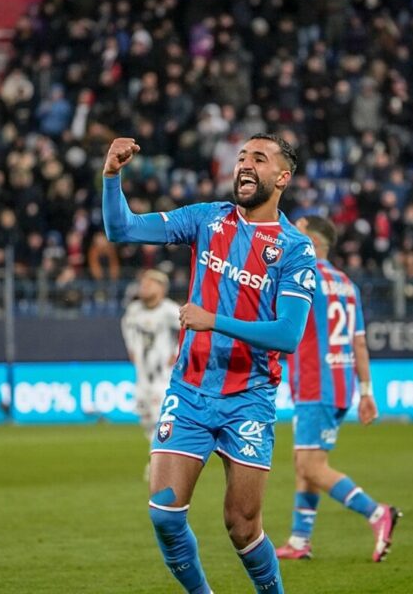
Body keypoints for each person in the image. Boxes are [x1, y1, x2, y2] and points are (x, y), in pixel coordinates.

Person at [103, 134, 317, 594]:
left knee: (241, 527)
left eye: (259, 159)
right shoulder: (206, 219)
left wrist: (213, 320)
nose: (245, 164)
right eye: (242, 157)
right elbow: (123, 230)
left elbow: (288, 334)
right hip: (191, 391)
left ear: (282, 178)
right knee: (164, 513)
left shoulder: (296, 248)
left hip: (249, 398)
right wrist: (111, 177)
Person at [275, 215, 400, 562]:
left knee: (311, 466)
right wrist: (366, 391)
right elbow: (359, 343)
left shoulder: (303, 276)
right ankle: (300, 541)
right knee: (306, 462)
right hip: (341, 384)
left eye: (295, 234)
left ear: (311, 242)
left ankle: (377, 513)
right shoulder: (347, 283)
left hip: (316, 383)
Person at [121, 269, 181, 478]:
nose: (143, 287)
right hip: (142, 377)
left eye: (149, 283)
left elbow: (188, 327)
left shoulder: (169, 310)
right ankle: (160, 455)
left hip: (162, 377)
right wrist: (131, 346)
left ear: (161, 288)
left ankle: (158, 464)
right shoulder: (134, 310)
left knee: (159, 418)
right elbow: (127, 327)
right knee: (145, 418)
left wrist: (177, 352)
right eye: (142, 283)